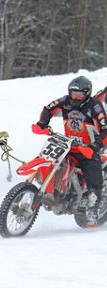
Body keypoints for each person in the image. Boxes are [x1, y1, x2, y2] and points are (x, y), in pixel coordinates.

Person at [35, 76, 107, 227]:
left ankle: (93, 210)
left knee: (94, 178)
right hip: (67, 145)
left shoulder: (95, 106)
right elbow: (49, 108)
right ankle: (49, 188)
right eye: (73, 93)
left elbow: (105, 129)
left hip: (87, 148)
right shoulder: (65, 101)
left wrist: (94, 146)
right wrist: (43, 123)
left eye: (79, 94)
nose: (75, 97)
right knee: (48, 158)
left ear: (87, 94)